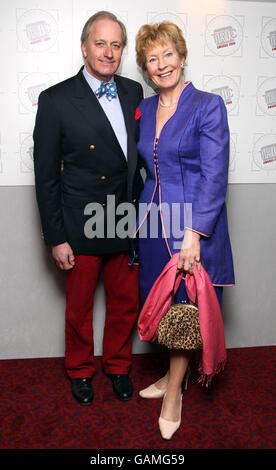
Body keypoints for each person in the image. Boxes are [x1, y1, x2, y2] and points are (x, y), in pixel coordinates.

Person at [33, 11, 143, 406]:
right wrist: (55, 236)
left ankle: (117, 366)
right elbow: (45, 175)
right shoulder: (56, 100)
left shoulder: (133, 92)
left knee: (125, 303)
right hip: (81, 220)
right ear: (84, 47)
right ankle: (80, 370)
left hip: (126, 217)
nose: (108, 52)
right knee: (79, 307)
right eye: (100, 43)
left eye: (116, 45)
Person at [134, 21, 235, 439]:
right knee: (163, 308)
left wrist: (194, 233)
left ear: (182, 55)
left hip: (191, 228)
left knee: (185, 309)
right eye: (152, 59)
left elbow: (214, 175)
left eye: (168, 54)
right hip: (152, 223)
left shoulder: (207, 105)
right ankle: (173, 374)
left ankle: (174, 389)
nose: (162, 65)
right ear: (145, 67)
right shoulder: (143, 109)